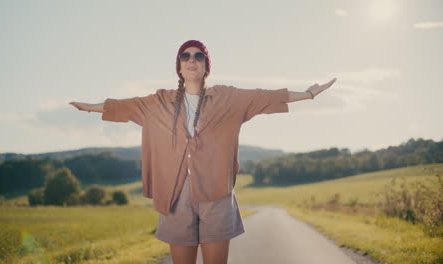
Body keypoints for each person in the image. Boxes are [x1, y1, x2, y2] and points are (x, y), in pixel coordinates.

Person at [70, 39, 336, 264]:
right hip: (174, 193)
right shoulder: (159, 102)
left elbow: (264, 97)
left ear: (206, 65)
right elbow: (124, 107)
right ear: (179, 66)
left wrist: (308, 94)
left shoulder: (227, 98)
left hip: (216, 192)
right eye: (185, 56)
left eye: (198, 56)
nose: (191, 59)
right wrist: (89, 107)